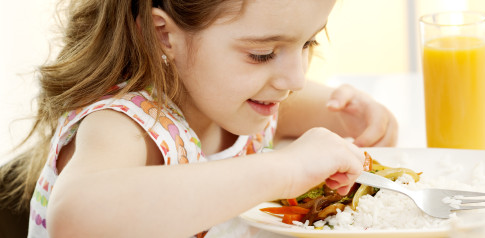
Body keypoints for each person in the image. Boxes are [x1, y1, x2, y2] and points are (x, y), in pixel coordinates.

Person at [0, 0, 398, 237]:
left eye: (308, 42)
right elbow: (77, 217)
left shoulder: (238, 98)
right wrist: (287, 168)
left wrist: (351, 114)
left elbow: (301, 102)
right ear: (165, 35)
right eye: (263, 54)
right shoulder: (125, 123)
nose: (294, 77)